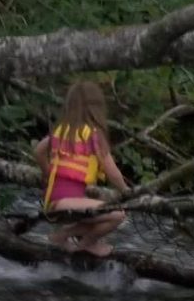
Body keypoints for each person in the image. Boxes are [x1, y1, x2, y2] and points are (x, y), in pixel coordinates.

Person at [33, 81, 130, 257]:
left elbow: (39, 151)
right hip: (66, 204)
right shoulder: (94, 136)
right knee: (118, 214)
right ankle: (84, 245)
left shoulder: (61, 131)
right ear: (96, 107)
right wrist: (127, 192)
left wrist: (48, 174)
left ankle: (64, 237)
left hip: (53, 203)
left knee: (98, 217)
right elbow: (112, 172)